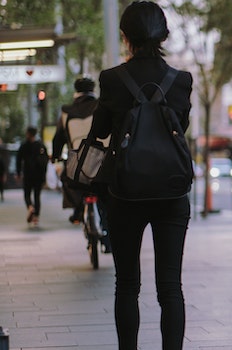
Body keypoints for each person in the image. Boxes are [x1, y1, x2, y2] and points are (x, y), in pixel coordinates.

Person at [88, 2, 193, 349]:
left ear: (125, 36)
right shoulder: (181, 81)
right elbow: (180, 129)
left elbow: (100, 132)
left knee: (127, 285)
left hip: (125, 192)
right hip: (172, 192)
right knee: (170, 288)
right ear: (164, 35)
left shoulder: (112, 80)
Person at [52, 77, 99, 224]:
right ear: (92, 90)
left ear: (76, 91)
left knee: (69, 179)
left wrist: (55, 156)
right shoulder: (100, 106)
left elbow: (58, 137)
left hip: (75, 158)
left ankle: (77, 210)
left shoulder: (66, 112)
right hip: (99, 157)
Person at [16, 127, 48, 226]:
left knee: (27, 194)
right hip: (38, 175)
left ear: (28, 133)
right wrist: (44, 176)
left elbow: (18, 160)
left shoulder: (24, 145)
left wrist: (18, 173)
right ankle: (36, 217)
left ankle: (30, 207)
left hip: (28, 174)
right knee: (37, 196)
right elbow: (45, 161)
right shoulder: (40, 146)